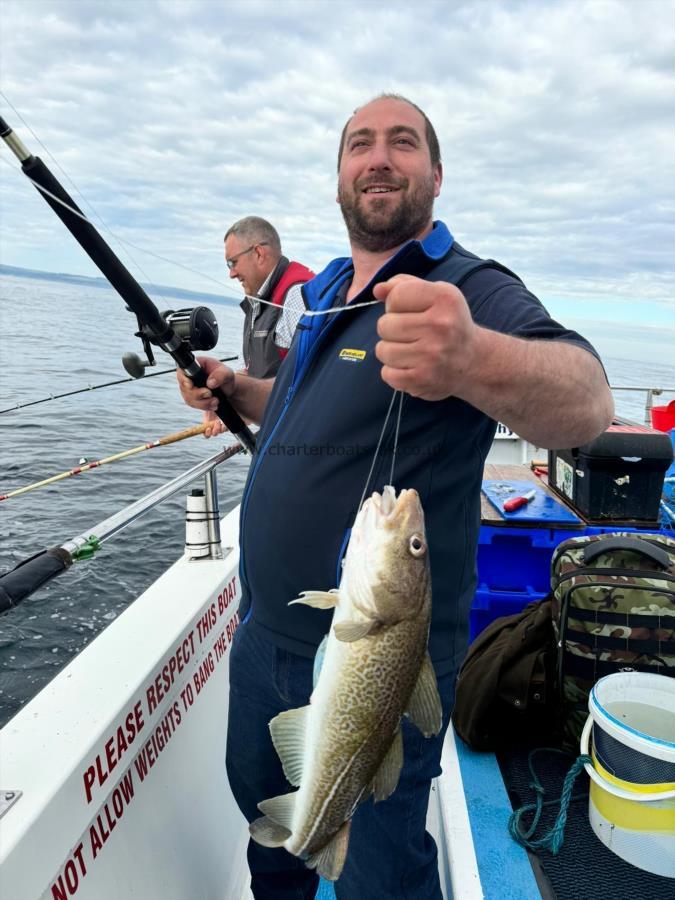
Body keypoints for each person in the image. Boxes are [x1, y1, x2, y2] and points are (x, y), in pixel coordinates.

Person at [178, 95, 613, 899]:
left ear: (435, 174)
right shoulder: (333, 288)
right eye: (359, 145)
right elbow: (298, 404)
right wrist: (237, 388)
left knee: (377, 868)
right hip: (266, 632)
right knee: (270, 833)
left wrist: (475, 356)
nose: (378, 157)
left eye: (402, 142)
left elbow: (585, 402)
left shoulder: (467, 287)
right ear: (339, 175)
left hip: (385, 650)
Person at [224, 216, 314, 378]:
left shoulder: (298, 295)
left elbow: (311, 376)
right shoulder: (257, 301)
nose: (231, 273)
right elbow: (247, 370)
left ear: (258, 253)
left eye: (233, 262)